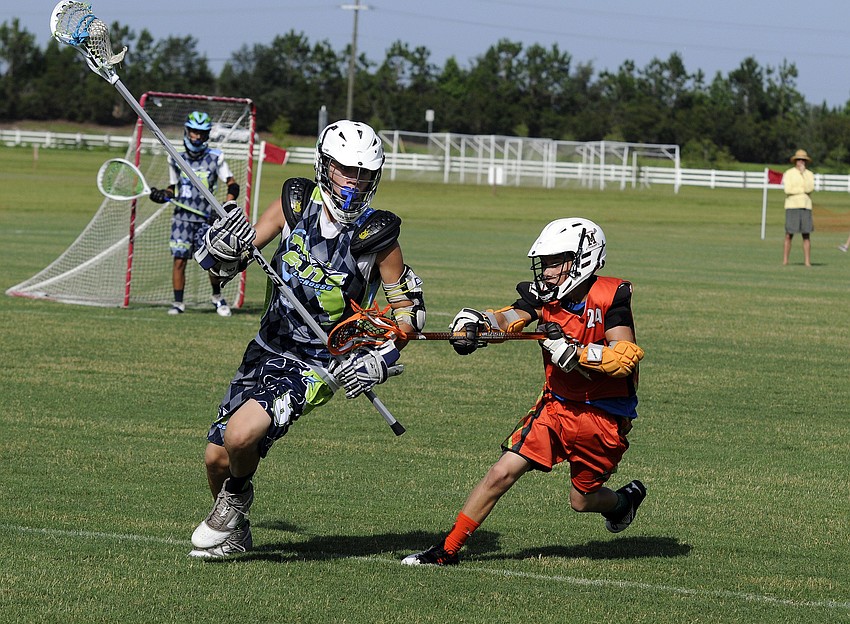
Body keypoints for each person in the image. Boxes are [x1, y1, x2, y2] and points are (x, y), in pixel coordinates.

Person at [187, 120, 426, 558]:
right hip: (268, 344)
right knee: (216, 456)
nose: (353, 182)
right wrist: (221, 255)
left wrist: (381, 358)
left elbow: (407, 318)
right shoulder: (295, 202)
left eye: (364, 174)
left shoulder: (380, 236)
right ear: (323, 165)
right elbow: (235, 261)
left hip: (320, 359)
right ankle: (235, 532)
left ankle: (236, 501)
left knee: (242, 437)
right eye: (344, 170)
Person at [402, 217, 646, 566]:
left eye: (554, 262)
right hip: (556, 407)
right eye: (543, 263)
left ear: (584, 258)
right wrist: (478, 324)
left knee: (582, 500)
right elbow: (510, 318)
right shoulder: (544, 296)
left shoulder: (611, 298)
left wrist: (577, 353)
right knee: (501, 472)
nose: (545, 271)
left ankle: (624, 502)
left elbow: (625, 356)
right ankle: (447, 550)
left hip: (604, 416)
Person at [149, 111, 240, 315]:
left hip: (208, 219)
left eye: (201, 133)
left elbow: (232, 184)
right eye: (193, 132)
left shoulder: (215, 158)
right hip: (182, 217)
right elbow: (172, 187)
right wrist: (163, 194)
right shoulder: (176, 157)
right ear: (187, 131)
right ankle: (178, 303)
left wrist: (227, 205)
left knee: (212, 262)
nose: (197, 136)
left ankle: (217, 298)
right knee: (179, 259)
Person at [782, 149, 815, 267]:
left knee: (806, 235)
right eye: (799, 160)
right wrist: (801, 190)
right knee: (789, 234)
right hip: (792, 206)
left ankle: (807, 261)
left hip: (806, 206)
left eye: (803, 160)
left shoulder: (809, 174)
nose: (801, 162)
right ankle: (785, 260)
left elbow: (810, 188)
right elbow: (788, 190)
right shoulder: (789, 173)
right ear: (795, 161)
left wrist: (803, 175)